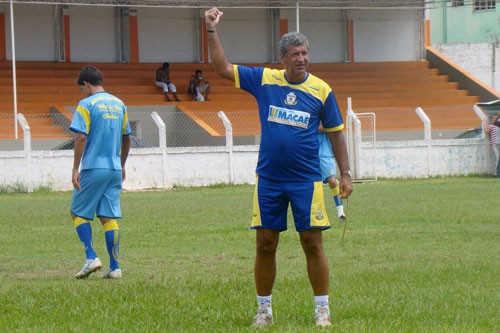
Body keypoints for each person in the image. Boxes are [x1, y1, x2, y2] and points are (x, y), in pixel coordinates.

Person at [205, 7, 353, 328]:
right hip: (269, 180)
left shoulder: (321, 90)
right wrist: (212, 31)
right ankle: (264, 311)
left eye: (305, 53)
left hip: (307, 181)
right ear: (283, 58)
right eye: (295, 54)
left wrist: (345, 173)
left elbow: (336, 134)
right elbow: (220, 67)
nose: (302, 59)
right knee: (265, 243)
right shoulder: (264, 80)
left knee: (312, 243)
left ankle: (322, 311)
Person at [70, 66, 132, 280]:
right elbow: (127, 138)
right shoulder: (119, 104)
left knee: (77, 213)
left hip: (93, 167)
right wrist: (122, 165)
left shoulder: (86, 104)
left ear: (86, 84)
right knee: (108, 217)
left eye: (81, 88)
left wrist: (75, 168)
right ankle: (115, 268)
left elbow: (80, 137)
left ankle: (91, 257)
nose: (82, 92)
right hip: (114, 168)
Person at [318, 128, 346, 221]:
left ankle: (340, 211)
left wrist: (312, 127)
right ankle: (318, 212)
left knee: (333, 182)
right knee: (315, 184)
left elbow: (326, 126)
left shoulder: (325, 114)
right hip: (311, 153)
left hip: (326, 154)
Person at [484, 112, 500, 177]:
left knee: (497, 158)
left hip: (495, 143)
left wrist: (485, 124)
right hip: (497, 143)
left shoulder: (492, 126)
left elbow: (486, 131)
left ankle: (497, 173)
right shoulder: (497, 125)